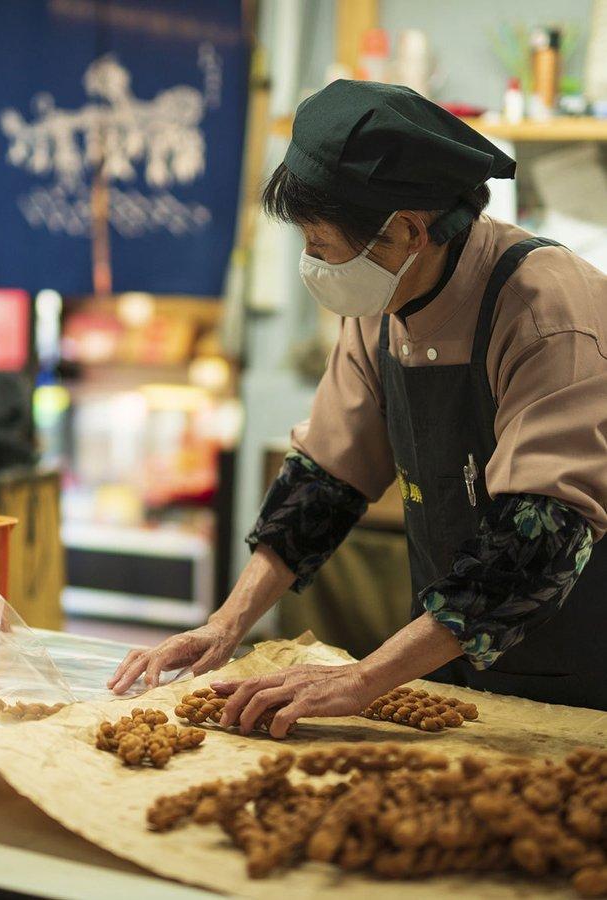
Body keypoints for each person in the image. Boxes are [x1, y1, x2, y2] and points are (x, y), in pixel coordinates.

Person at [108, 80, 607, 735]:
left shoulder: (547, 311)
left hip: (581, 668)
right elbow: (324, 482)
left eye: (320, 244)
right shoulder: (381, 306)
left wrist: (364, 679)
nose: (312, 263)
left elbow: (539, 542)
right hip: (442, 654)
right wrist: (225, 623)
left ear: (406, 230)